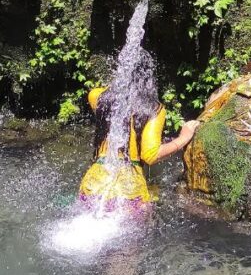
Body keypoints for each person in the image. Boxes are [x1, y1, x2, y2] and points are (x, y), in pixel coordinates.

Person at [78, 53, 199, 214]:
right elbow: (150, 155)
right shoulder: (153, 109)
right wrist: (183, 137)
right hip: (128, 192)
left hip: (92, 186)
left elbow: (101, 96)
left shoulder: (99, 98)